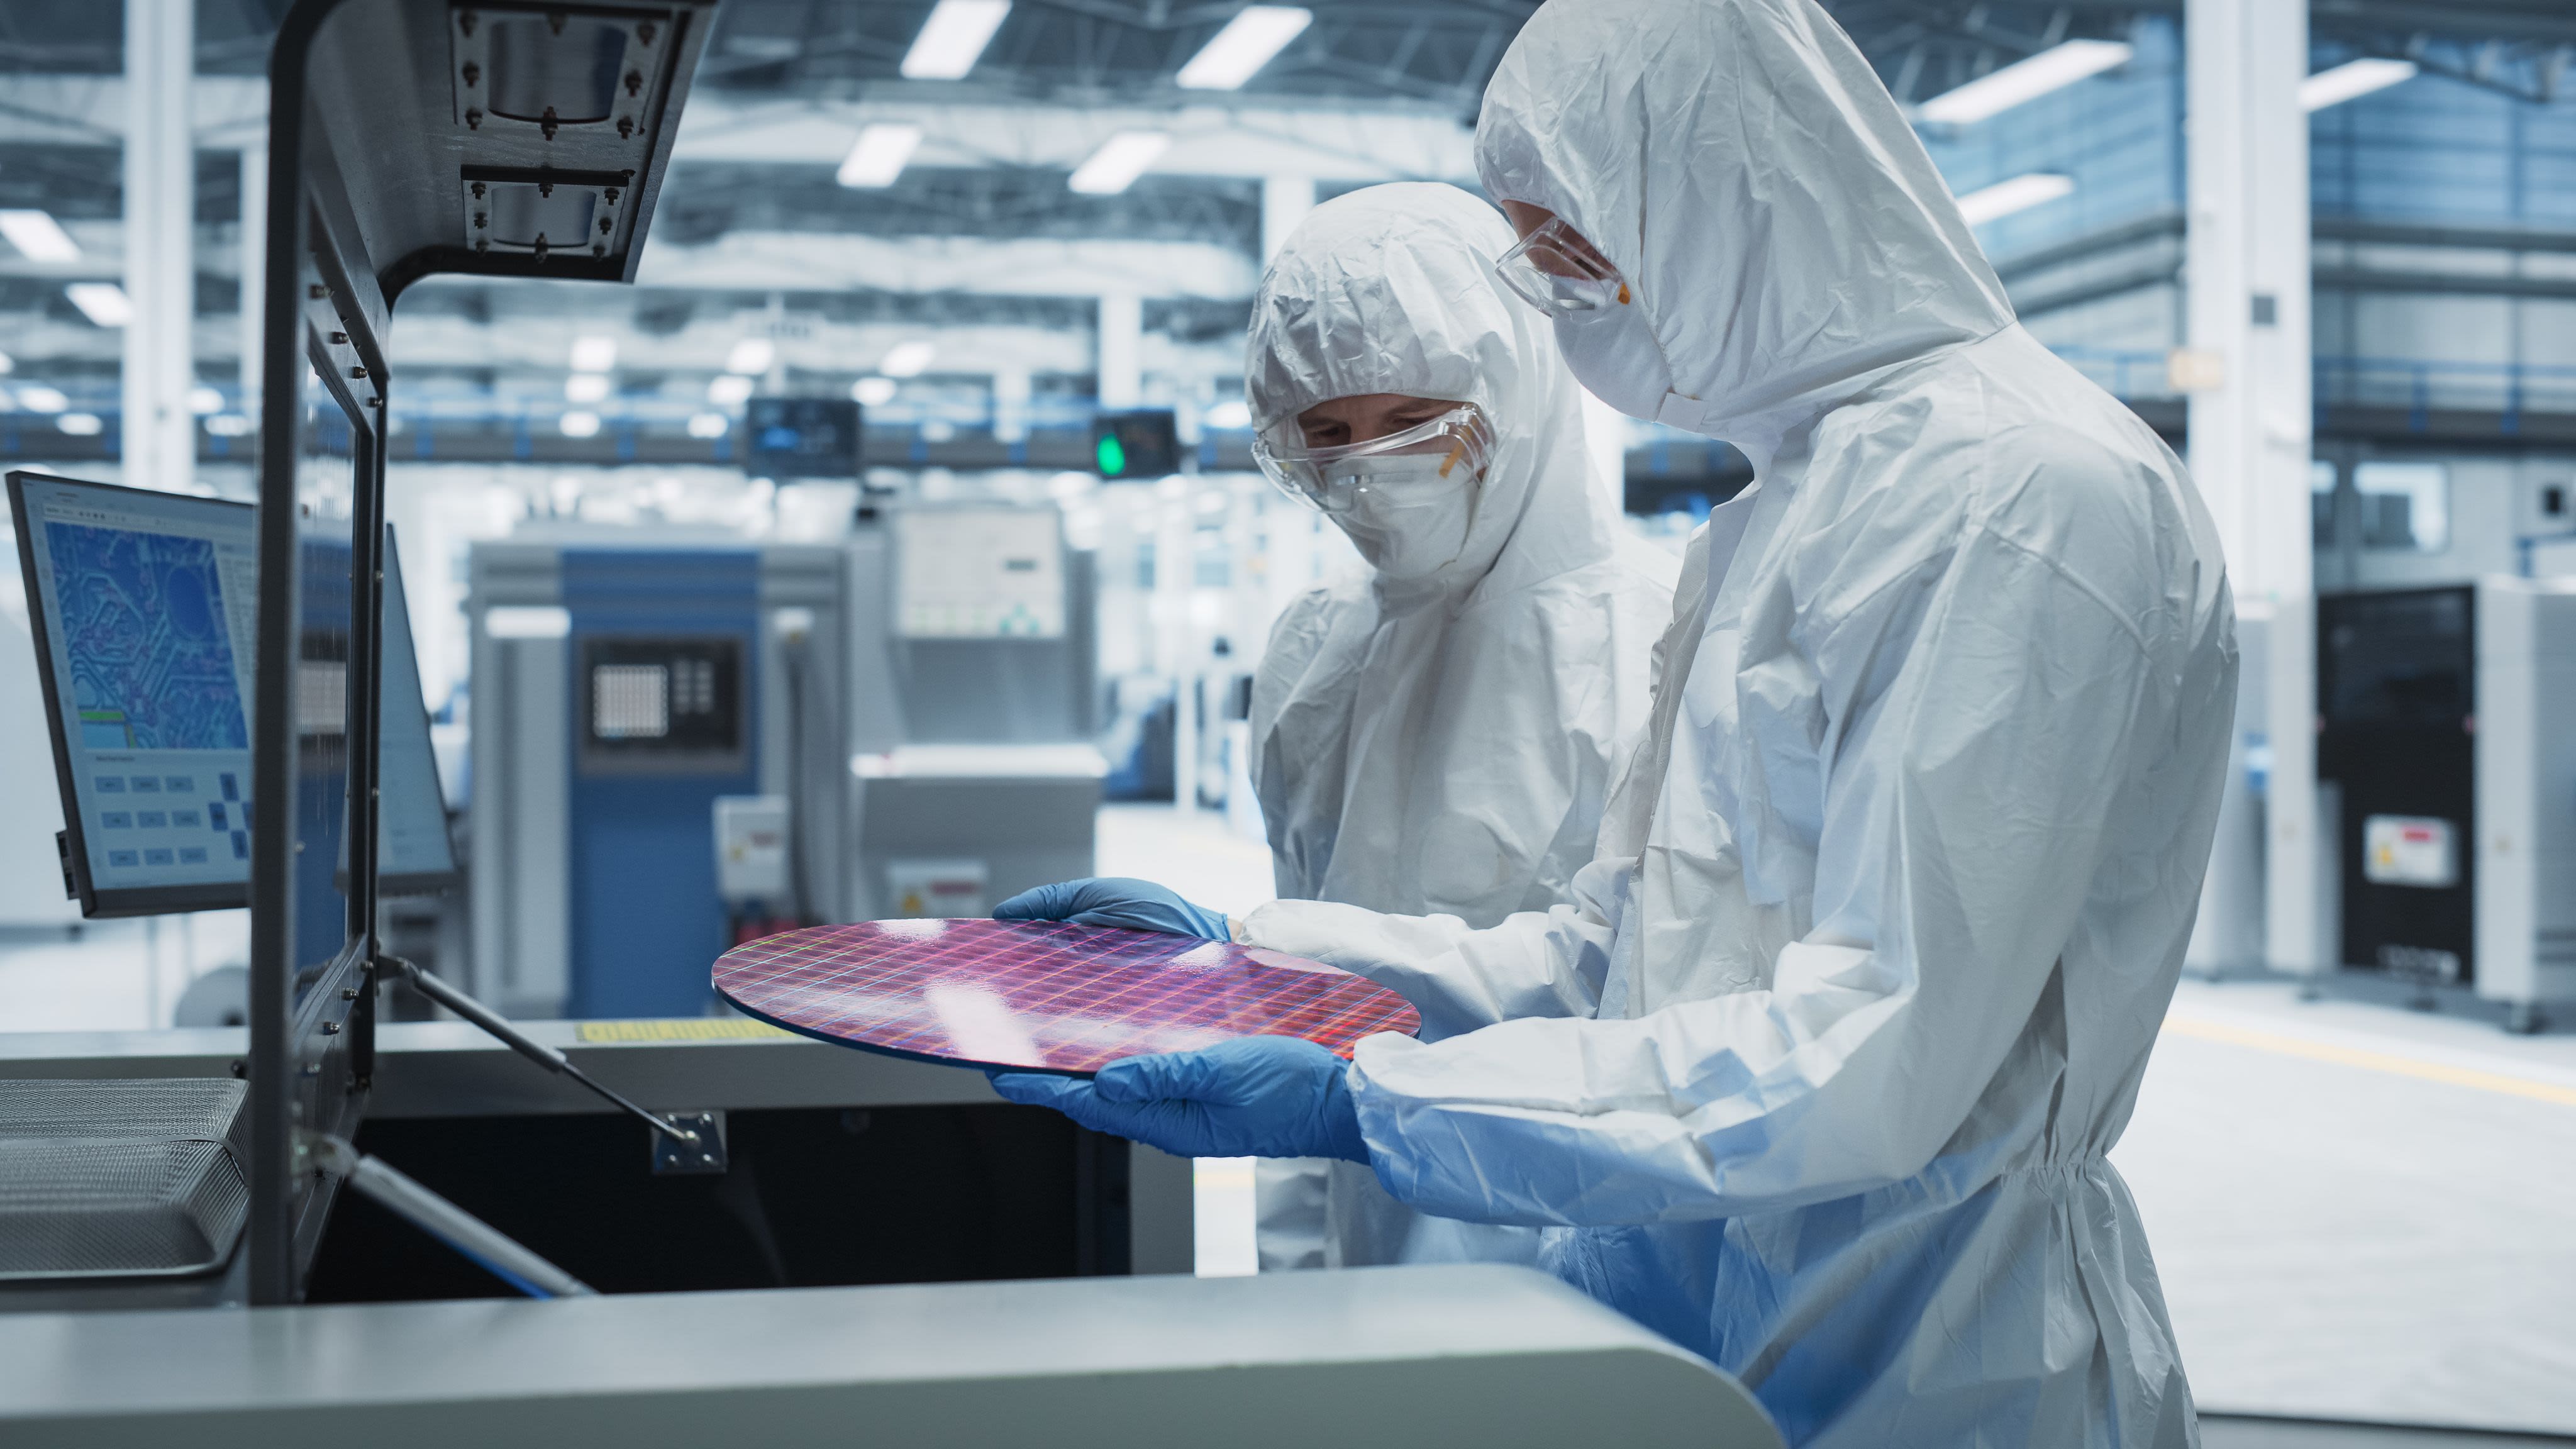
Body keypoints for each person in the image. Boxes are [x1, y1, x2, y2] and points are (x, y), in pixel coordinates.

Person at [993, 1, 2235, 1444]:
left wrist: (1371, 1108)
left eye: (1565, 245)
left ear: (1724, 190)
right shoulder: (1782, 518)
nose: (1555, 295)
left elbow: (1870, 1058)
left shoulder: (2017, 497)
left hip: (1939, 1354)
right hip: (1698, 1318)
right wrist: (1256, 959)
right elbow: (1616, 955)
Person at [1237, 182, 1676, 1271]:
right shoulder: (1313, 653)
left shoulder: (1660, 644)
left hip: (1588, 1270)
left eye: (1411, 425)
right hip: (1366, 1257)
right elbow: (1299, 1024)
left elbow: (1648, 1006)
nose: (1368, 474)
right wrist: (1294, 1282)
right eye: (1325, 436)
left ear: (1517, 386)